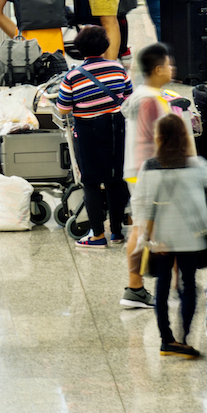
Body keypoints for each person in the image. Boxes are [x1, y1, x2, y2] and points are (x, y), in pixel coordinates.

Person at [134, 111, 207, 358]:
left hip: (161, 240)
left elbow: (141, 203)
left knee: (162, 287)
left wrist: (148, 237)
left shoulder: (149, 166)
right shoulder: (195, 164)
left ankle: (167, 340)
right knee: (188, 286)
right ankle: (184, 339)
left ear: (160, 138)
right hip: (191, 236)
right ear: (183, 137)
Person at [55, 25, 133, 248]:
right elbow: (128, 97)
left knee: (90, 181)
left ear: (79, 50)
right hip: (116, 129)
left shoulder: (73, 76)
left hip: (88, 132)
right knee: (115, 180)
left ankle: (97, 235)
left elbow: (63, 108)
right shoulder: (118, 69)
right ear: (105, 46)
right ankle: (117, 233)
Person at [120, 43, 179, 309]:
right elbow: (155, 141)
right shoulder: (152, 100)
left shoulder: (142, 94)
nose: (171, 69)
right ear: (157, 69)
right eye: (168, 65)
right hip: (151, 173)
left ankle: (167, 286)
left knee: (145, 228)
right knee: (148, 229)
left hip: (140, 170)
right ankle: (138, 288)